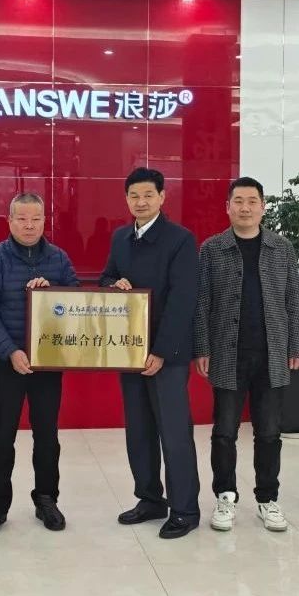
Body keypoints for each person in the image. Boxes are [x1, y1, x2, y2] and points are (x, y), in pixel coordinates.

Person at [193, 177, 299, 533]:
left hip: (272, 353)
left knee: (269, 432)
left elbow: (293, 300)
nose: (245, 207)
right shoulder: (212, 249)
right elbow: (202, 302)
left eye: (252, 201)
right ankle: (225, 496)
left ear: (263, 206)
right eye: (238, 201)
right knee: (224, 431)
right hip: (228, 352)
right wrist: (202, 347)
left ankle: (267, 498)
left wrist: (297, 345)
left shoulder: (281, 248)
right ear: (227, 207)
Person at [101, 167, 201, 540]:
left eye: (148, 195)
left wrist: (161, 351)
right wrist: (115, 284)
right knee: (139, 431)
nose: (140, 202)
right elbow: (106, 277)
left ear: (161, 197)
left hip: (166, 355)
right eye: (134, 196)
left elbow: (183, 299)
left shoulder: (180, 239)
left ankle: (185, 510)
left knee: (174, 434)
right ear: (126, 199)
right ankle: (150, 500)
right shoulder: (120, 238)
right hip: (128, 350)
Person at [0, 192, 79, 537]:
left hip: (47, 363)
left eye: (35, 219)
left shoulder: (59, 258)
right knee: (1, 437)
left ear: (45, 221)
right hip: (8, 363)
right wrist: (10, 351)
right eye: (21, 219)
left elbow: (77, 305)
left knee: (47, 436)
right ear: (10, 221)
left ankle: (46, 499)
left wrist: (53, 292)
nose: (29, 225)